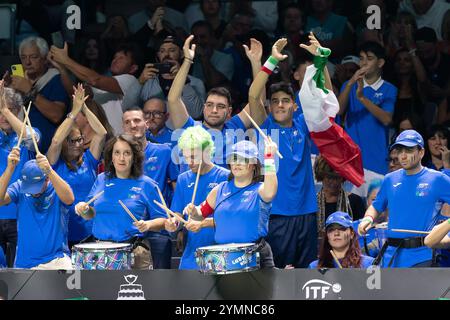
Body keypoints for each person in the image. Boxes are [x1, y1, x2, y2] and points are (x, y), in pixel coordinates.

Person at [247, 36, 325, 268]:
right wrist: (270, 61)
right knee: (278, 272)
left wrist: (320, 61)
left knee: (305, 272)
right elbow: (253, 95)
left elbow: (323, 96)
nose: (280, 105)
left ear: (295, 105)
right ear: (269, 107)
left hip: (307, 212)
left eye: (285, 101)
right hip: (276, 214)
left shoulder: (303, 124)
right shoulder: (265, 125)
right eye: (275, 101)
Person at [167, 35, 267, 168]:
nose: (214, 110)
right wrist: (187, 61)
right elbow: (173, 99)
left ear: (229, 111)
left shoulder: (234, 126)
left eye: (220, 106)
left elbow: (258, 101)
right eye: (210, 105)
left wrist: (256, 64)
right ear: (204, 108)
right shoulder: (190, 128)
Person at [74, 134, 168, 269]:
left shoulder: (147, 184)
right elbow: (90, 214)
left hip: (134, 253)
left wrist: (148, 224)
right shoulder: (101, 179)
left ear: (134, 157)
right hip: (100, 253)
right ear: (111, 156)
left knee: (132, 290)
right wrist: (84, 209)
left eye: (127, 153)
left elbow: (163, 220)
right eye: (117, 153)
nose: (121, 158)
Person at [358, 130, 450, 267]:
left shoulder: (438, 179)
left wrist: (446, 237)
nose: (403, 155)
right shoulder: (389, 179)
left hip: (423, 256)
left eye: (408, 150)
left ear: (421, 152)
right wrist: (368, 218)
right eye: (400, 151)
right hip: (391, 256)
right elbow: (376, 206)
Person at [186, 139, 279, 268]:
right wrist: (193, 211)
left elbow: (270, 193)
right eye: (234, 158)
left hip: (255, 255)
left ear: (253, 165)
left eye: (243, 159)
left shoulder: (260, 190)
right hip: (224, 257)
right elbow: (200, 214)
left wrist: (269, 157)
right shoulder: (219, 190)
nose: (237, 163)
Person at [47, 84, 107, 247]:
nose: (77, 144)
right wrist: (74, 113)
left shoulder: (89, 159)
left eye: (79, 139)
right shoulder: (53, 163)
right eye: (71, 140)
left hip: (89, 230)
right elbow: (56, 140)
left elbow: (101, 133)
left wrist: (84, 109)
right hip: (62, 231)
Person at [338, 41, 398, 196]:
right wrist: (351, 82)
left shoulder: (389, 89)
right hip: (351, 163)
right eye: (361, 58)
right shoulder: (348, 85)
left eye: (369, 58)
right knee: (348, 214)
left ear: (380, 63)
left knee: (375, 214)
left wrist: (362, 98)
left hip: (377, 162)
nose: (363, 62)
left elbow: (386, 119)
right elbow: (338, 111)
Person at [165, 126, 229, 269]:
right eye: (186, 157)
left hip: (221, 250)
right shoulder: (183, 179)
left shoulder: (225, 176)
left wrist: (202, 223)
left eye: (193, 157)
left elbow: (229, 217)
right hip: (192, 252)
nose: (189, 162)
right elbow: (178, 214)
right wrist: (174, 222)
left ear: (207, 152)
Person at [122, 107, 178, 268]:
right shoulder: (118, 157)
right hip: (128, 231)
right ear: (123, 128)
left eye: (137, 120)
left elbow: (176, 189)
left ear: (146, 124)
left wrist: (177, 225)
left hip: (158, 230)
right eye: (127, 122)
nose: (133, 125)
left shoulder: (165, 151)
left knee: (161, 284)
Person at [0, 152, 75, 270]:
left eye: (36, 187)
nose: (33, 192)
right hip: (24, 262)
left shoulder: (57, 187)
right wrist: (9, 169)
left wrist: (49, 170)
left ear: (47, 179)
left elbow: (70, 199)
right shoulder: (19, 187)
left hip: (56, 259)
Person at [49, 42, 143, 135]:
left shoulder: (131, 81)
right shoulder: (105, 83)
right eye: (115, 57)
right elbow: (74, 93)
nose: (115, 60)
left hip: (118, 141)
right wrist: (62, 69)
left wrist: (66, 60)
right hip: (101, 140)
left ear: (133, 68)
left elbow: (94, 79)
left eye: (121, 58)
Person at [0, 82, 40, 267]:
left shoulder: (29, 132)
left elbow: (31, 139)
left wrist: (6, 111)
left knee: (20, 271)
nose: (2, 115)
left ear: (17, 110)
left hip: (21, 213)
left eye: (7, 110)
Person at [7, 36, 69, 153]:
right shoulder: (17, 81)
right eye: (24, 57)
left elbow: (57, 115)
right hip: (18, 150)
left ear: (45, 59)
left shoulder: (55, 79)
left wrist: (29, 91)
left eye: (33, 57)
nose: (28, 62)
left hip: (47, 151)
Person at [139, 35, 205, 120]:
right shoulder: (149, 82)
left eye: (172, 50)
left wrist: (184, 81)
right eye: (162, 51)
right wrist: (139, 82)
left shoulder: (195, 83)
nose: (166, 54)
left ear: (181, 54)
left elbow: (197, 113)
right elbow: (128, 108)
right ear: (158, 55)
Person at [314, 154, 366, 236]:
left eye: (337, 178)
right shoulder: (312, 203)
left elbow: (361, 233)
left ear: (343, 177)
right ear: (321, 176)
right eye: (329, 177)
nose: (333, 182)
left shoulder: (355, 201)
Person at [309, 211, 375, 268]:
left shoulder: (369, 264)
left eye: (342, 229)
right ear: (327, 236)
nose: (336, 233)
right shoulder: (314, 267)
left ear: (352, 234)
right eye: (331, 230)